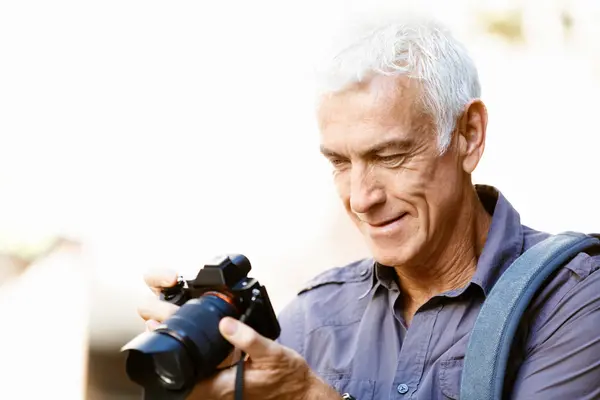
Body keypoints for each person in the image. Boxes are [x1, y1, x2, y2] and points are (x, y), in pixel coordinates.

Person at [137, 15, 600, 400]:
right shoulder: (314, 317)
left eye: (390, 156)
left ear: (469, 135)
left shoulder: (573, 301)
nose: (361, 198)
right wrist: (206, 374)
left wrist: (310, 396)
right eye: (340, 162)